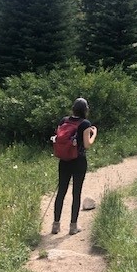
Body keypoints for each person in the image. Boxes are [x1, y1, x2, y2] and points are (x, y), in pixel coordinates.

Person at [51, 97, 97, 235]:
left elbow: (58, 138)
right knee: (76, 193)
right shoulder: (85, 124)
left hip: (64, 160)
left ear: (73, 109)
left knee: (61, 192)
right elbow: (87, 144)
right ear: (85, 109)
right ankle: (73, 227)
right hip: (79, 161)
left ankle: (55, 225)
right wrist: (94, 133)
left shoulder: (64, 121)